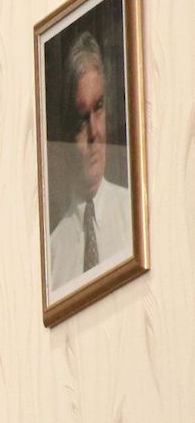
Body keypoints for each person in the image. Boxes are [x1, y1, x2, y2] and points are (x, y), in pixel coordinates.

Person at [47, 28, 131, 286]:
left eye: (99, 107)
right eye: (82, 119)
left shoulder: (134, 215)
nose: (95, 133)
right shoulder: (52, 257)